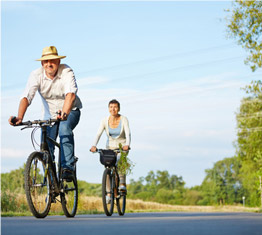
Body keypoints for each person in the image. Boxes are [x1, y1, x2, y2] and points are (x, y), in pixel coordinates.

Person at [8, 46, 82, 180]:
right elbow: (26, 96)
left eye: (52, 61)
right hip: (50, 116)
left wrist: (64, 113)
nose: (49, 64)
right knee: (46, 149)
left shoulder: (66, 71)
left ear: (58, 61)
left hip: (70, 111)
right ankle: (51, 185)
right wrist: (20, 117)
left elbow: (70, 95)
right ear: (42, 63)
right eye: (46, 61)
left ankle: (67, 168)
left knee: (64, 129)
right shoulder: (36, 75)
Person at [90, 99, 131, 192]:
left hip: (122, 147)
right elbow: (98, 134)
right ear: (108, 108)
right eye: (111, 107)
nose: (113, 109)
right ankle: (108, 193)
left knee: (120, 159)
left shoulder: (124, 119)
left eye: (115, 107)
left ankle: (122, 183)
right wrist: (94, 145)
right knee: (108, 167)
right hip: (110, 148)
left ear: (119, 109)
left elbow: (128, 134)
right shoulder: (104, 120)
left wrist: (127, 145)